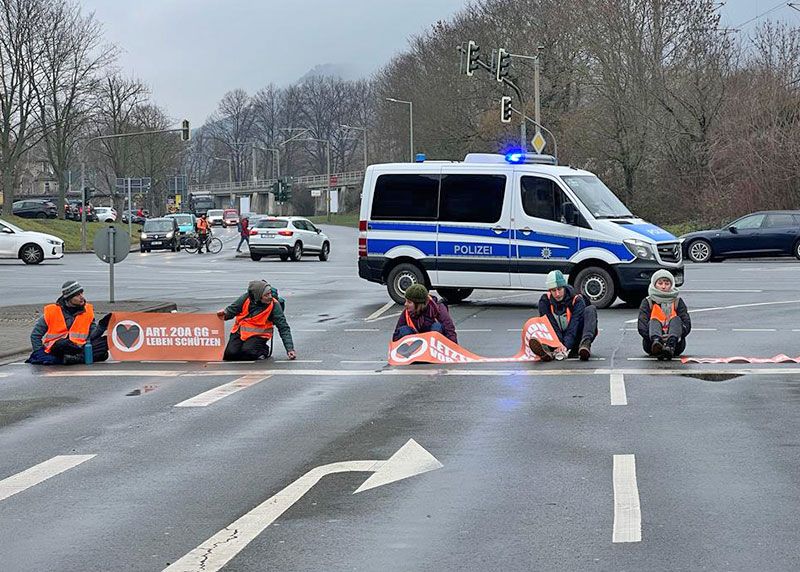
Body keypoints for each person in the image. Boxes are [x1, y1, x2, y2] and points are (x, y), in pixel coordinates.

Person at [26, 281, 110, 365]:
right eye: (77, 295)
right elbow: (35, 335)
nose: (82, 297)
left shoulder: (87, 311)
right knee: (63, 343)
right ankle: (85, 357)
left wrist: (102, 326)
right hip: (59, 348)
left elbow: (92, 337)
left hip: (79, 347)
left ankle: (75, 359)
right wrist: (39, 353)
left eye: (81, 293)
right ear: (69, 298)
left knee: (107, 340)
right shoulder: (52, 311)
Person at [217, 280, 296, 361]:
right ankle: (249, 349)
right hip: (240, 332)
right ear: (258, 296)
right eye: (266, 295)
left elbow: (283, 327)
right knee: (229, 355)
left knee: (248, 353)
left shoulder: (274, 305)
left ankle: (263, 350)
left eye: (270, 293)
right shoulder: (245, 299)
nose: (270, 297)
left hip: (259, 335)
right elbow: (231, 311)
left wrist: (290, 349)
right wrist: (224, 314)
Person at [529, 270, 598, 362]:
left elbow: (574, 325)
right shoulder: (544, 301)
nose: (557, 294)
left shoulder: (577, 300)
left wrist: (565, 346)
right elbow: (550, 324)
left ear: (564, 287)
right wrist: (557, 344)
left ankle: (585, 345)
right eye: (553, 290)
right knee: (538, 324)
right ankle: (547, 351)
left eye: (559, 289)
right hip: (555, 340)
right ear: (550, 290)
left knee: (590, 310)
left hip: (575, 337)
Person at [638, 270, 691, 360]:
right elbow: (642, 326)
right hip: (651, 343)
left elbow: (687, 324)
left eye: (666, 284)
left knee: (676, 319)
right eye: (660, 283)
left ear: (671, 285)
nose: (663, 287)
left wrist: (678, 334)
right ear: (655, 285)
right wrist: (656, 338)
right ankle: (657, 343)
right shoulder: (648, 302)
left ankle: (670, 346)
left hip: (676, 344)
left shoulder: (677, 301)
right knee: (654, 320)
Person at [392, 284, 458, 343]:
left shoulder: (438, 309)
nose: (405, 304)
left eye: (409, 302)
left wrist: (455, 350)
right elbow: (396, 335)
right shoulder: (406, 312)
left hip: (434, 345)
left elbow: (450, 331)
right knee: (404, 330)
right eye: (406, 301)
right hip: (415, 345)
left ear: (418, 304)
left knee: (437, 327)